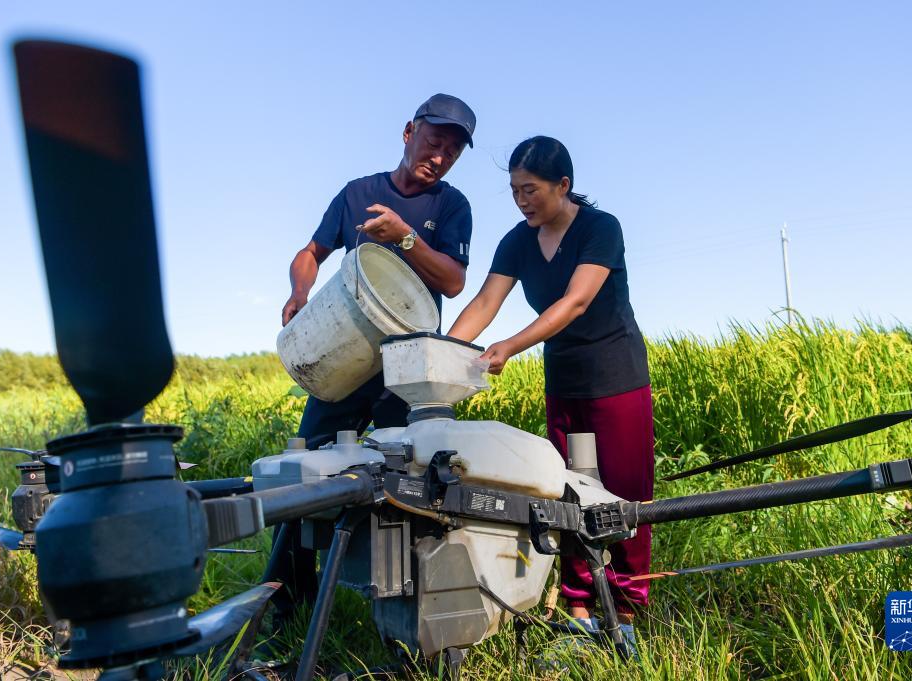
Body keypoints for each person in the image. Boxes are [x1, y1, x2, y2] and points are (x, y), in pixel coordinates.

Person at [269, 94, 477, 624]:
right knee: (303, 475)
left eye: (452, 152)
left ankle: (406, 614)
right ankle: (287, 608)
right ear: (409, 132)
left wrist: (405, 237)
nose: (440, 157)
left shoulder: (451, 206)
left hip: (407, 374)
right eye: (434, 142)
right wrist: (299, 292)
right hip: (344, 358)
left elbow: (453, 281)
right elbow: (311, 252)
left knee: (413, 486)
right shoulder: (358, 193)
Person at [447, 136, 653, 642]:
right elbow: (485, 302)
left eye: (531, 190)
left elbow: (575, 302)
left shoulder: (601, 228)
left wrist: (510, 346)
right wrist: (441, 353)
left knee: (624, 492)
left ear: (563, 185)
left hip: (616, 376)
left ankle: (627, 609)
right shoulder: (518, 241)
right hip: (564, 380)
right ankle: (579, 608)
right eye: (515, 191)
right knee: (567, 492)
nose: (522, 200)